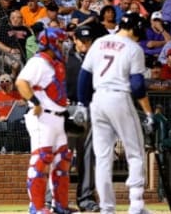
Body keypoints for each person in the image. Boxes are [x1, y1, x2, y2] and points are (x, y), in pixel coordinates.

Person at [77, 13, 154, 214]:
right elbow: (137, 87)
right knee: (135, 151)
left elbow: (84, 78)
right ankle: (136, 204)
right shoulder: (133, 48)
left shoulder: (99, 42)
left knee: (102, 157)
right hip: (119, 97)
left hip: (98, 100)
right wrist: (149, 113)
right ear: (136, 29)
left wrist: (84, 105)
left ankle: (106, 208)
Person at [15, 27, 74, 214]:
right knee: (41, 160)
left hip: (57, 118)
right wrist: (34, 101)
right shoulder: (38, 62)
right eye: (59, 42)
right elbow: (21, 82)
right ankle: (37, 206)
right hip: (42, 117)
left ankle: (60, 205)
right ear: (49, 43)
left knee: (62, 161)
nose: (62, 45)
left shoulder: (54, 64)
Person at [65, 26, 100, 212]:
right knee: (64, 156)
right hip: (68, 108)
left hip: (89, 108)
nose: (86, 44)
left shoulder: (96, 59)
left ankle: (86, 198)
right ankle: (56, 199)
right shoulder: (64, 57)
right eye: (82, 40)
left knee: (88, 157)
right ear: (75, 40)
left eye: (88, 41)